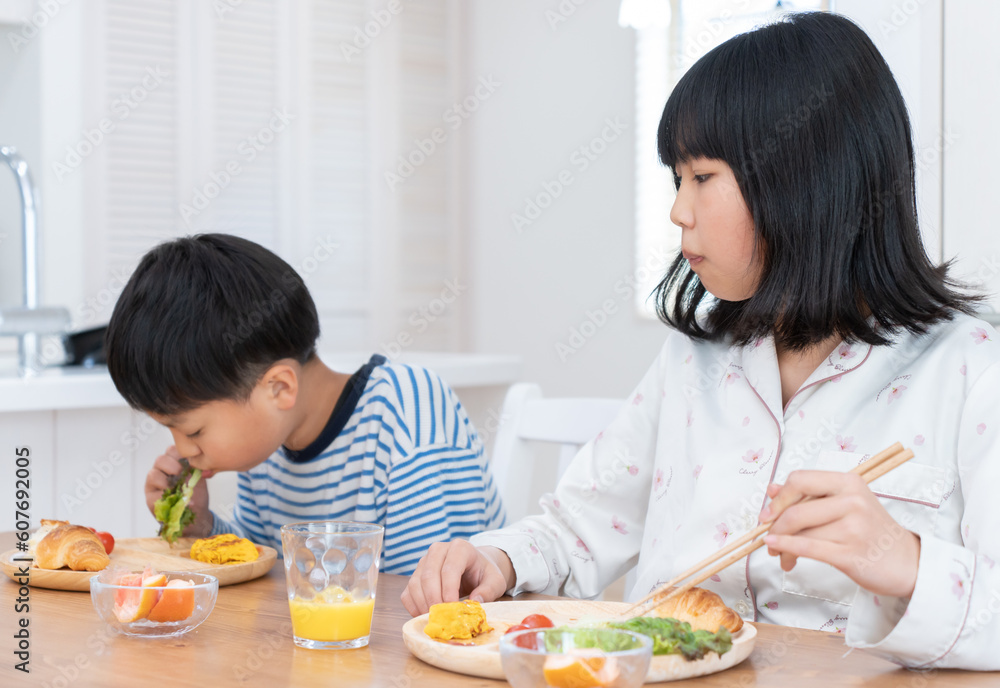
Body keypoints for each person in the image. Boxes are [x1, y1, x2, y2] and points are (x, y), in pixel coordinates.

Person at [402, 12, 1000, 670]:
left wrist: (906, 563)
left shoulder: (971, 372)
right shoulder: (694, 359)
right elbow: (578, 528)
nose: (678, 211)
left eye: (702, 178)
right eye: (675, 179)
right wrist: (498, 558)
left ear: (805, 179)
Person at [105, 233, 505, 575]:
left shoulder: (407, 408)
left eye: (193, 430)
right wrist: (201, 526)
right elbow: (270, 570)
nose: (184, 449)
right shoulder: (267, 439)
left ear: (279, 387)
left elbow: (436, 596)